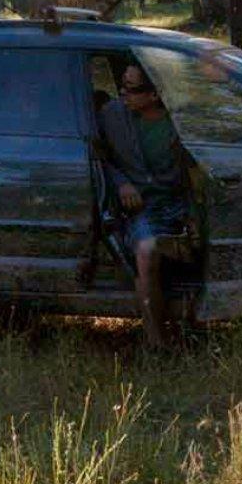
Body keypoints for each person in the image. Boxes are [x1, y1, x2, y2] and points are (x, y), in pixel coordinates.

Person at [97, 59, 192, 347]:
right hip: (144, 209)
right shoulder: (112, 115)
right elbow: (96, 156)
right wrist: (121, 182)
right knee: (146, 252)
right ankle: (156, 343)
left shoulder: (181, 123)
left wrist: (194, 214)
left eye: (131, 89)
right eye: (121, 87)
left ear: (155, 94)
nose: (122, 95)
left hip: (180, 204)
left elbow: (196, 173)